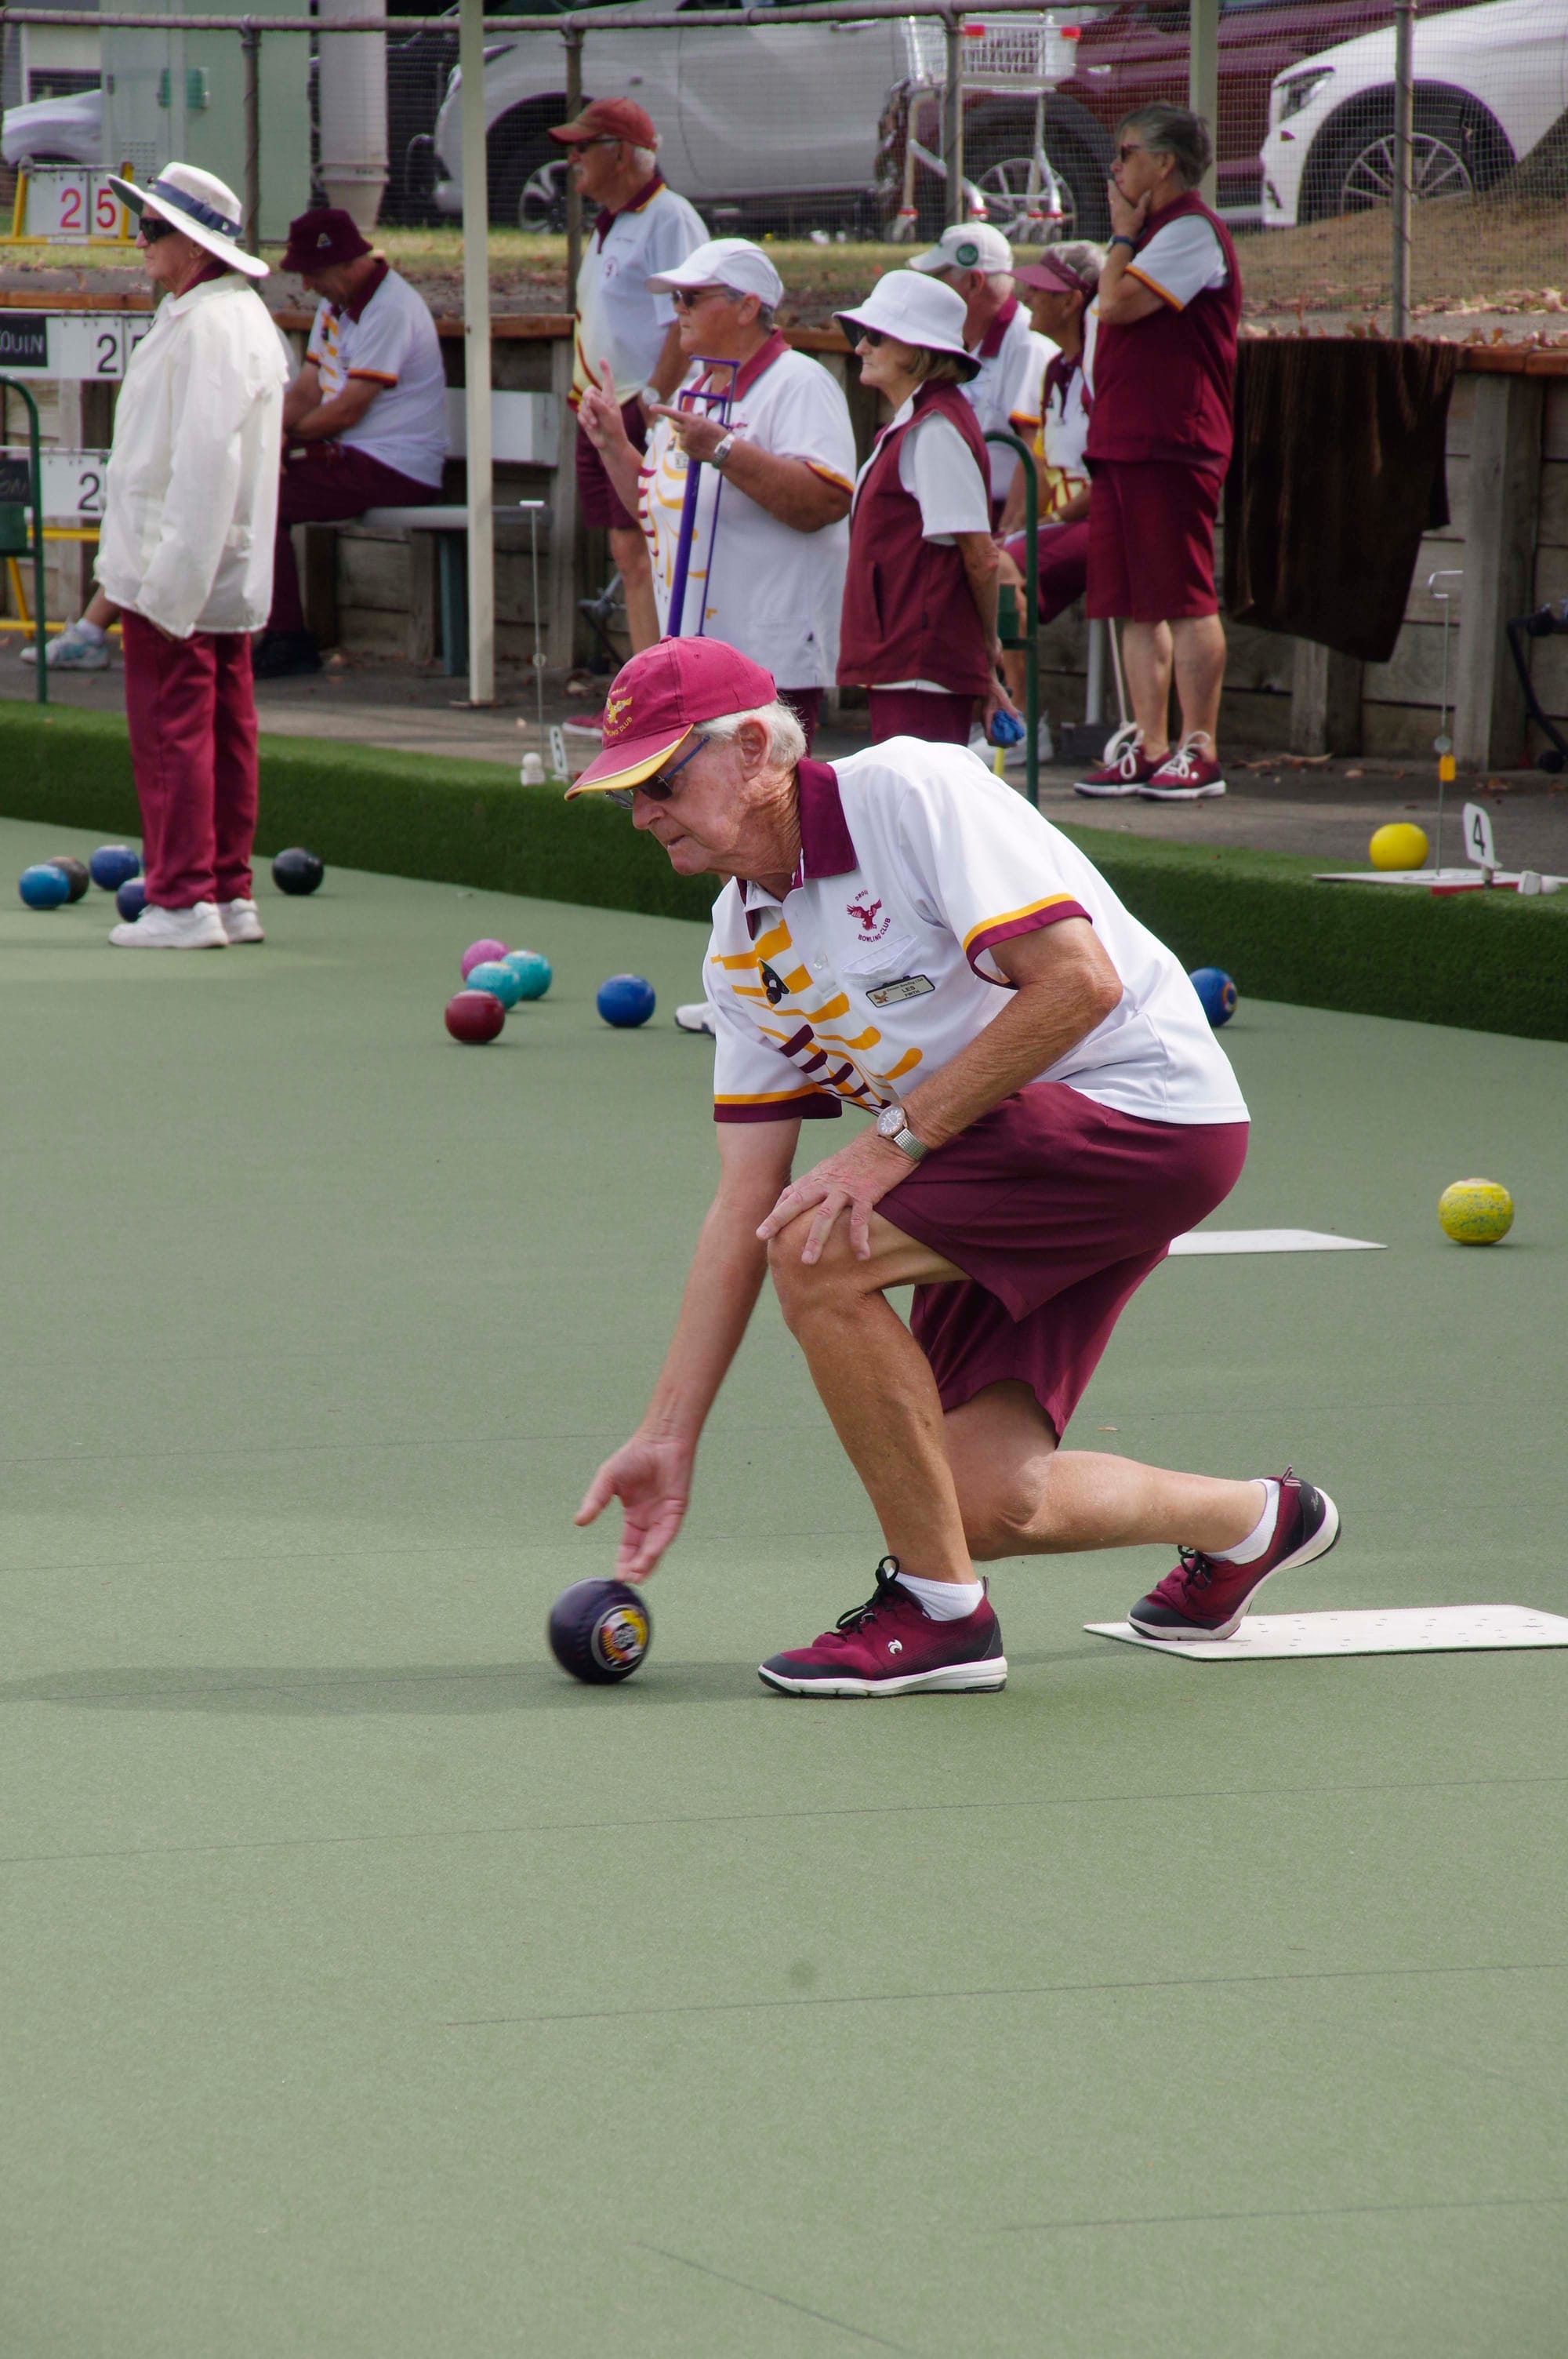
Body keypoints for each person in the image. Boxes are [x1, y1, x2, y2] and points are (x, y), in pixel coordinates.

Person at [566, 634, 1339, 1692]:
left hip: (1143, 1113)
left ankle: (940, 1615)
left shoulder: (913, 786)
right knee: (978, 1502)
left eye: (662, 778)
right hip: (1004, 1150)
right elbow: (742, 1199)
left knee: (820, 1244)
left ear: (754, 748)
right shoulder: (738, 952)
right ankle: (1257, 1522)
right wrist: (668, 1435)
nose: (645, 811)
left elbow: (1078, 986)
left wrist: (888, 1147)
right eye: (627, 796)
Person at [95, 162, 286, 951]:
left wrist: (170, 583)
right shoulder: (222, 315)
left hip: (181, 569)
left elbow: (206, 460)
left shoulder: (210, 324)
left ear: (197, 247)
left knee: (177, 729)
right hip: (211, 567)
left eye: (154, 229)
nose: (141, 241)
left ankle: (179, 899)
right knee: (223, 724)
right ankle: (225, 891)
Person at [576, 236, 855, 748]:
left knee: (763, 816)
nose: (676, 310)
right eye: (675, 298)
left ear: (748, 307)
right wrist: (613, 445)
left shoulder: (800, 383)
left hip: (769, 661)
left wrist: (725, 450)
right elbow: (657, 508)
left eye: (691, 297)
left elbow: (826, 501)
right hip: (696, 658)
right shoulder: (694, 388)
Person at [1073, 106, 1241, 804]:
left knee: (1184, 597)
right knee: (1136, 605)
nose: (1116, 168)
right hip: (1123, 439)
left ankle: (1200, 748)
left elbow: (1114, 306)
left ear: (1165, 163)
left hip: (1173, 439)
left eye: (1127, 153)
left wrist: (1118, 236)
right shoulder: (1152, 235)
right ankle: (1150, 744)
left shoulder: (1190, 231)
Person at [254, 208, 448, 678]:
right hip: (360, 458)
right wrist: (270, 435)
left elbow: (347, 409)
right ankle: (273, 633)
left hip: (397, 467)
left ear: (345, 262)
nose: (306, 286)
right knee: (252, 487)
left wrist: (280, 440)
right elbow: (306, 391)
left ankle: (287, 639)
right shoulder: (336, 305)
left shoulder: (390, 308)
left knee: (262, 497)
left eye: (313, 273)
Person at [550, 96, 708, 676]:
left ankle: (657, 697)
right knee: (627, 550)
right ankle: (646, 692)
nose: (574, 161)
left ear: (620, 153)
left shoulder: (670, 218)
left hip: (639, 410)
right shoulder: (609, 225)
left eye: (583, 147)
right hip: (602, 409)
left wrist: (649, 405)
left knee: (644, 551)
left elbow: (685, 323)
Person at [836, 271, 1018, 749]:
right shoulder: (920, 422)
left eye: (874, 336)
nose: (860, 347)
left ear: (915, 350)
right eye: (861, 335)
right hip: (908, 662)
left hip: (919, 666)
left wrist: (984, 653)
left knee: (910, 813)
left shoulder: (933, 429)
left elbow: (980, 556)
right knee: (900, 811)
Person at [993, 243, 1105, 728]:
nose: (1028, 296)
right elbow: (1040, 468)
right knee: (983, 559)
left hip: (1103, 519)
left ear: (1072, 301)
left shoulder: (1101, 372)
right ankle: (993, 711)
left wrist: (1041, 527)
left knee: (1001, 570)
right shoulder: (1055, 371)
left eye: (1042, 288)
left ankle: (1018, 723)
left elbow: (1107, 476)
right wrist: (1011, 529)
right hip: (1062, 523)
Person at [909, 221, 1053, 519]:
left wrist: (1005, 542)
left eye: (938, 278)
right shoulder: (958, 341)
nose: (929, 290)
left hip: (994, 517)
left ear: (974, 283)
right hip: (959, 510)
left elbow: (1034, 454)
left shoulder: (1027, 346)